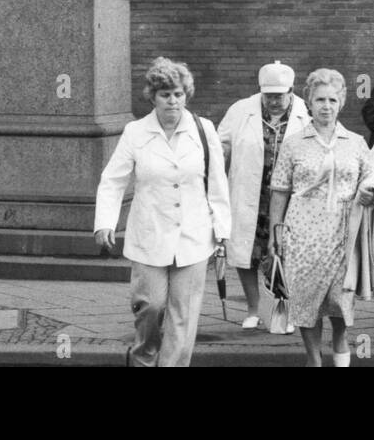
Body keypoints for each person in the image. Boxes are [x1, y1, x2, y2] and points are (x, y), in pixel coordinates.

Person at [94, 57, 231, 366]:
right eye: (165, 94)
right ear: (153, 97)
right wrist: (105, 222)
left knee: (183, 317)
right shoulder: (135, 132)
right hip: (149, 236)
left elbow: (217, 184)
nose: (172, 101)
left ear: (187, 95)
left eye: (178, 94)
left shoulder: (203, 129)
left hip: (194, 237)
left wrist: (222, 231)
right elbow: (112, 180)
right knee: (150, 307)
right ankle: (143, 357)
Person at [268, 69, 374, 366]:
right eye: (319, 100)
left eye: (332, 99)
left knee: (340, 303)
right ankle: (314, 360)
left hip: (343, 231)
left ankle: (340, 354)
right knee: (306, 300)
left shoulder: (355, 142)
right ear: (309, 102)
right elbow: (279, 190)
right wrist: (275, 235)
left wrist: (368, 193)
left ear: (341, 101)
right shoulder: (293, 143)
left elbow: (372, 180)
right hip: (301, 231)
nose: (326, 106)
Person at [217, 61, 310, 329]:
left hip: (289, 199)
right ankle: (253, 309)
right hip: (250, 195)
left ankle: (284, 310)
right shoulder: (240, 111)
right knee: (248, 254)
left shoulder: (306, 112)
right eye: (269, 96)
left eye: (280, 96)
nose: (274, 102)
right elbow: (220, 146)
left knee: (286, 254)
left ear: (291, 90)